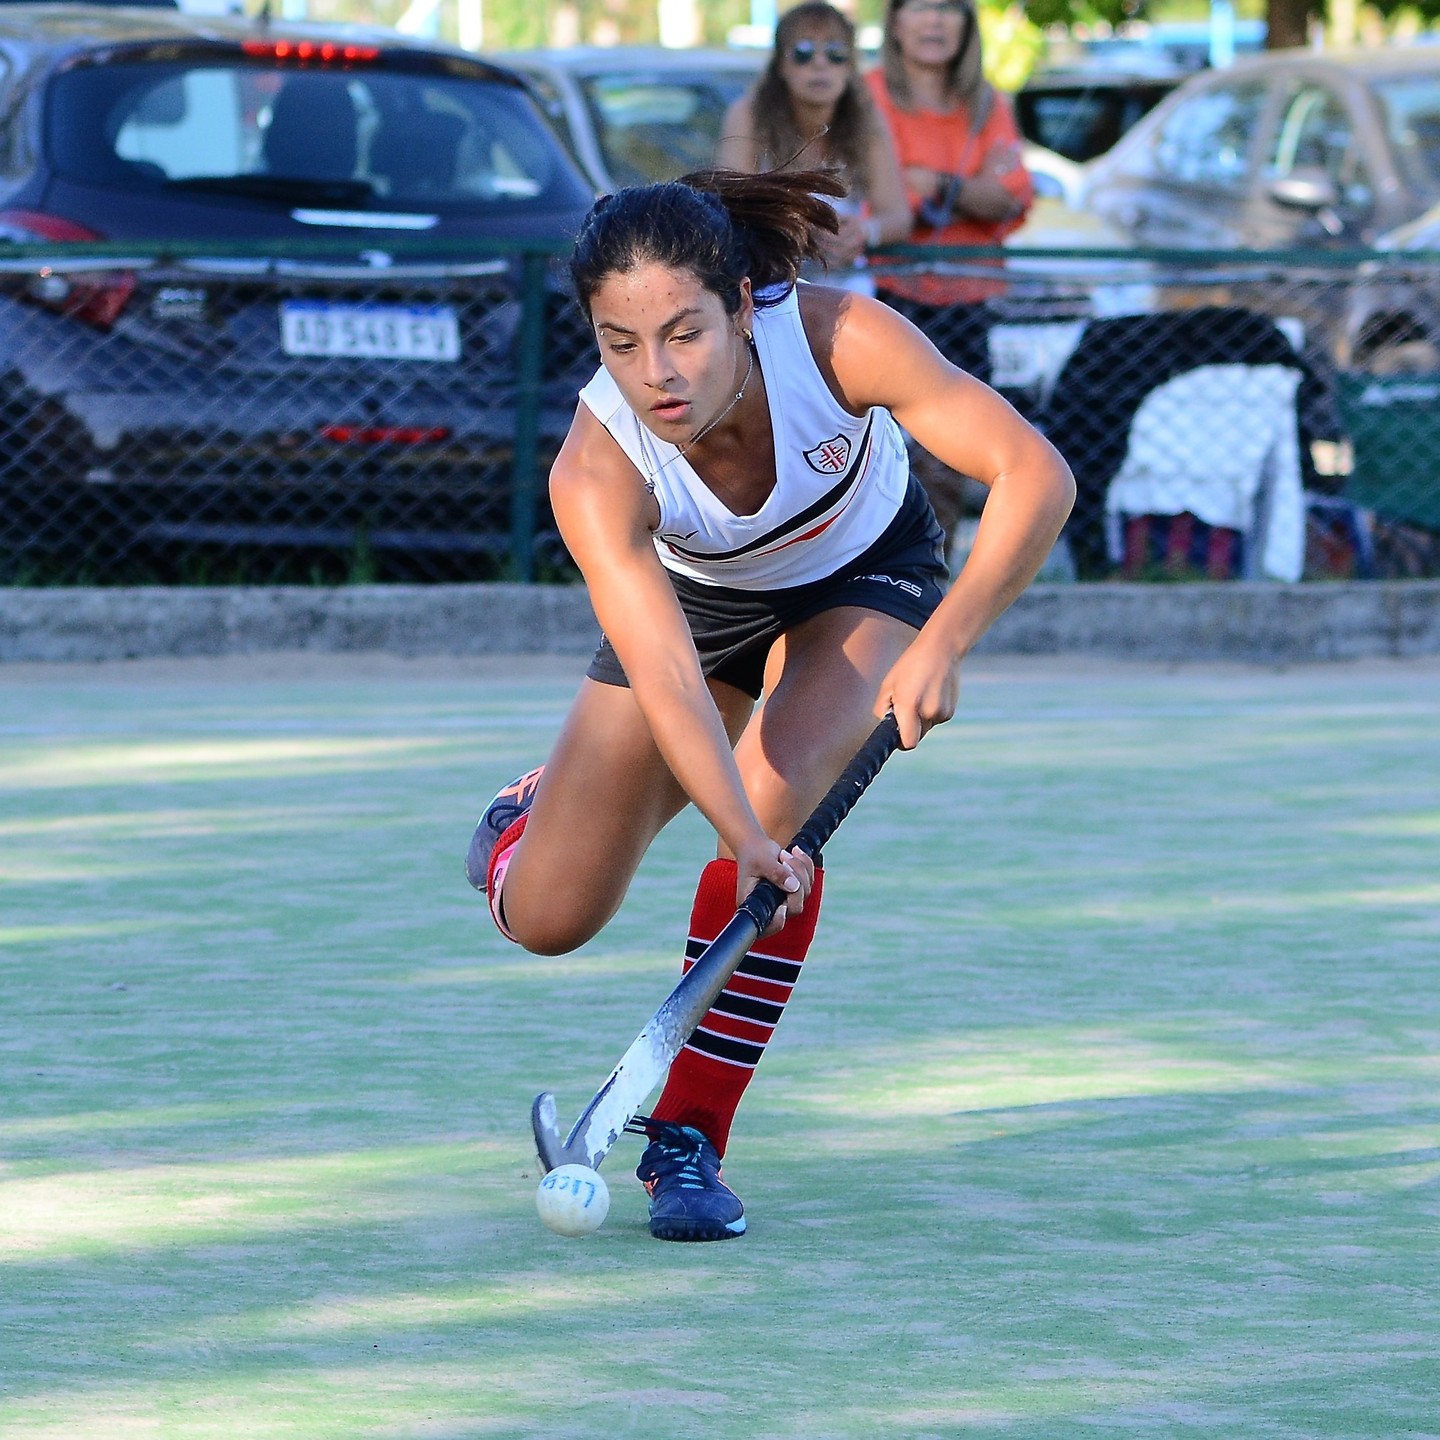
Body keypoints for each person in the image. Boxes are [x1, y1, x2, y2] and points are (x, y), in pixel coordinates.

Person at [466, 169, 1073, 1243]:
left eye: (686, 333)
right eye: (621, 343)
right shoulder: (597, 468)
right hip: (695, 608)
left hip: (859, 576)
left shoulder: (843, 341)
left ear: (744, 306)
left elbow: (1035, 472)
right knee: (549, 918)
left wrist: (944, 641)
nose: (659, 375)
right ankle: (530, 816)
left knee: (777, 810)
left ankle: (686, 1140)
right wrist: (736, 833)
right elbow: (663, 675)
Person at [716, 2, 910, 294]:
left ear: (850, 67)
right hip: (766, 287)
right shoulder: (748, 116)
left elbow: (897, 216)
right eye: (803, 53)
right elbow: (728, 207)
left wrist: (863, 231)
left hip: (847, 293)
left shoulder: (867, 120)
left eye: (836, 54)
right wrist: (799, 232)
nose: (820, 64)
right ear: (781, 65)